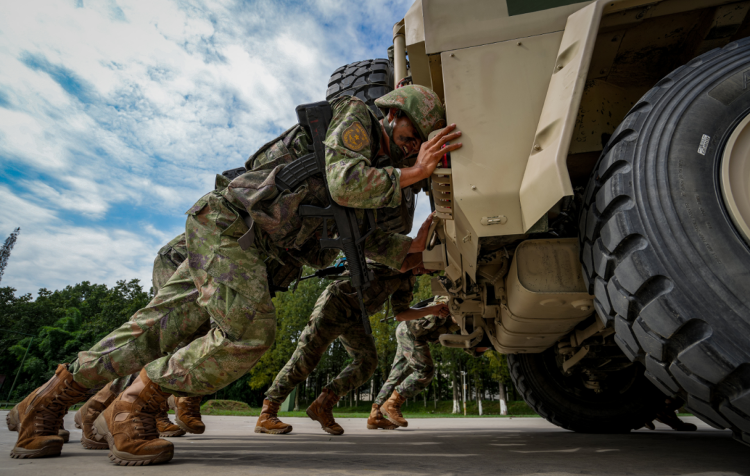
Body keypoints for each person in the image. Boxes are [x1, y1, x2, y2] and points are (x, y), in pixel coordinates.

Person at [10, 85, 461, 465]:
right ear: (395, 113)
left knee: (155, 332)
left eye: (418, 148)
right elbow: (343, 181)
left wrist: (415, 253)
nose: (409, 150)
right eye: (411, 138)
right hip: (230, 227)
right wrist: (414, 170)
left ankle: (44, 404)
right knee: (249, 332)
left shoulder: (382, 177)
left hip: (248, 245)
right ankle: (133, 404)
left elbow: (372, 244)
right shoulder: (357, 117)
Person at [256, 263, 448, 436]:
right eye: (428, 264)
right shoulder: (394, 256)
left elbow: (401, 314)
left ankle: (323, 404)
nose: (427, 270)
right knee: (306, 358)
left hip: (356, 316)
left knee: (367, 361)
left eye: (432, 270)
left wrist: (433, 309)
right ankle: (267, 413)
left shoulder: (407, 280)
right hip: (335, 304)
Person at [374, 296, 456, 428]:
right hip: (410, 331)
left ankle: (375, 414)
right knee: (424, 370)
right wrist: (441, 315)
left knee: (397, 375)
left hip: (409, 331)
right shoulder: (449, 298)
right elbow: (430, 315)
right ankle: (392, 403)